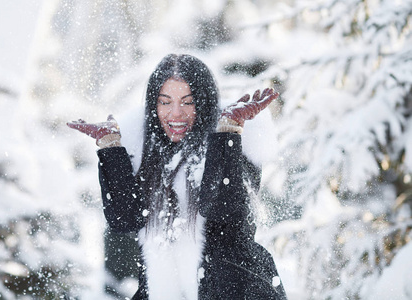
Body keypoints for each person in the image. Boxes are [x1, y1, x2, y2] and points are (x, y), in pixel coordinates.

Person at [67, 54, 287, 300]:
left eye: (188, 102)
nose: (175, 114)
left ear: (203, 103)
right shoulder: (147, 155)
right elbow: (124, 219)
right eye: (165, 102)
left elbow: (224, 212)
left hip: (235, 289)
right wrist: (111, 149)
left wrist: (227, 131)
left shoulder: (231, 145)